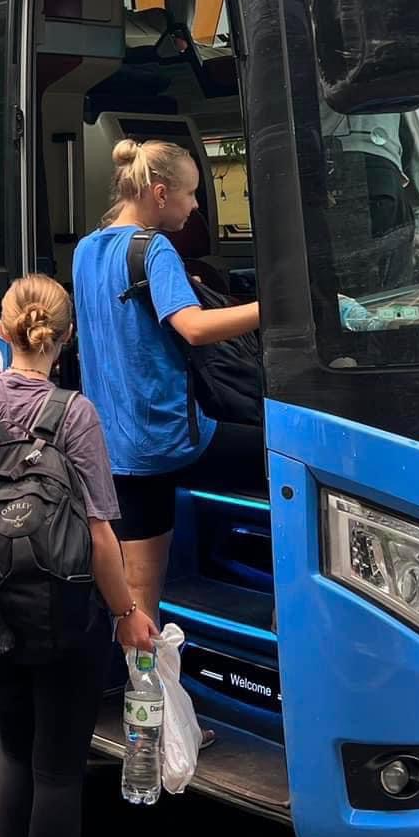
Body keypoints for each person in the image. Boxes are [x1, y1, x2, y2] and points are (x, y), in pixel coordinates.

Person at [0, 277, 153, 837]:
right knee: (59, 772)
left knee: (14, 756)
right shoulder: (76, 414)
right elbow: (99, 535)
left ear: (2, 330)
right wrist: (127, 613)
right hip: (68, 617)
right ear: (65, 339)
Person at [72, 140, 261, 626]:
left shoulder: (86, 250)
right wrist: (272, 309)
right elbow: (192, 328)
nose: (195, 206)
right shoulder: (154, 248)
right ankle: (290, 605)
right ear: (160, 193)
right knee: (289, 465)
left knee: (138, 597)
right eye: (191, 194)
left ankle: (144, 676)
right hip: (172, 438)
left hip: (119, 450)